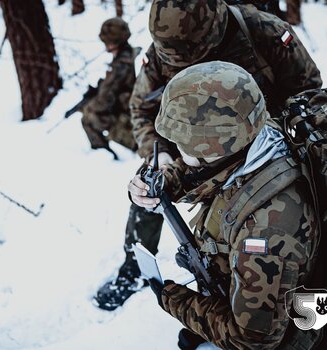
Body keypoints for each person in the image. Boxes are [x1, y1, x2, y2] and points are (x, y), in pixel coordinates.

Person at [93, 0, 322, 311]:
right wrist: (156, 154)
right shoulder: (166, 45)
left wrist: (271, 141)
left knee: (259, 228)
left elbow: (307, 94)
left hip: (262, 147)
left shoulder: (264, 32)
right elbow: (141, 108)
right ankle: (134, 269)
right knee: (149, 190)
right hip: (186, 145)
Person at [128, 61, 323, 349]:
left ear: (215, 148)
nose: (178, 150)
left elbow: (251, 339)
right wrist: (163, 182)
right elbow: (204, 170)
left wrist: (173, 299)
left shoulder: (265, 233)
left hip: (300, 323)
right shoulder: (258, 131)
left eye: (185, 144)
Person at [81, 17, 137, 159]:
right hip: (127, 109)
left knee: (88, 117)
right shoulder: (128, 53)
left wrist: (88, 105)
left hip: (126, 116)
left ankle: (102, 156)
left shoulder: (121, 65)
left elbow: (103, 101)